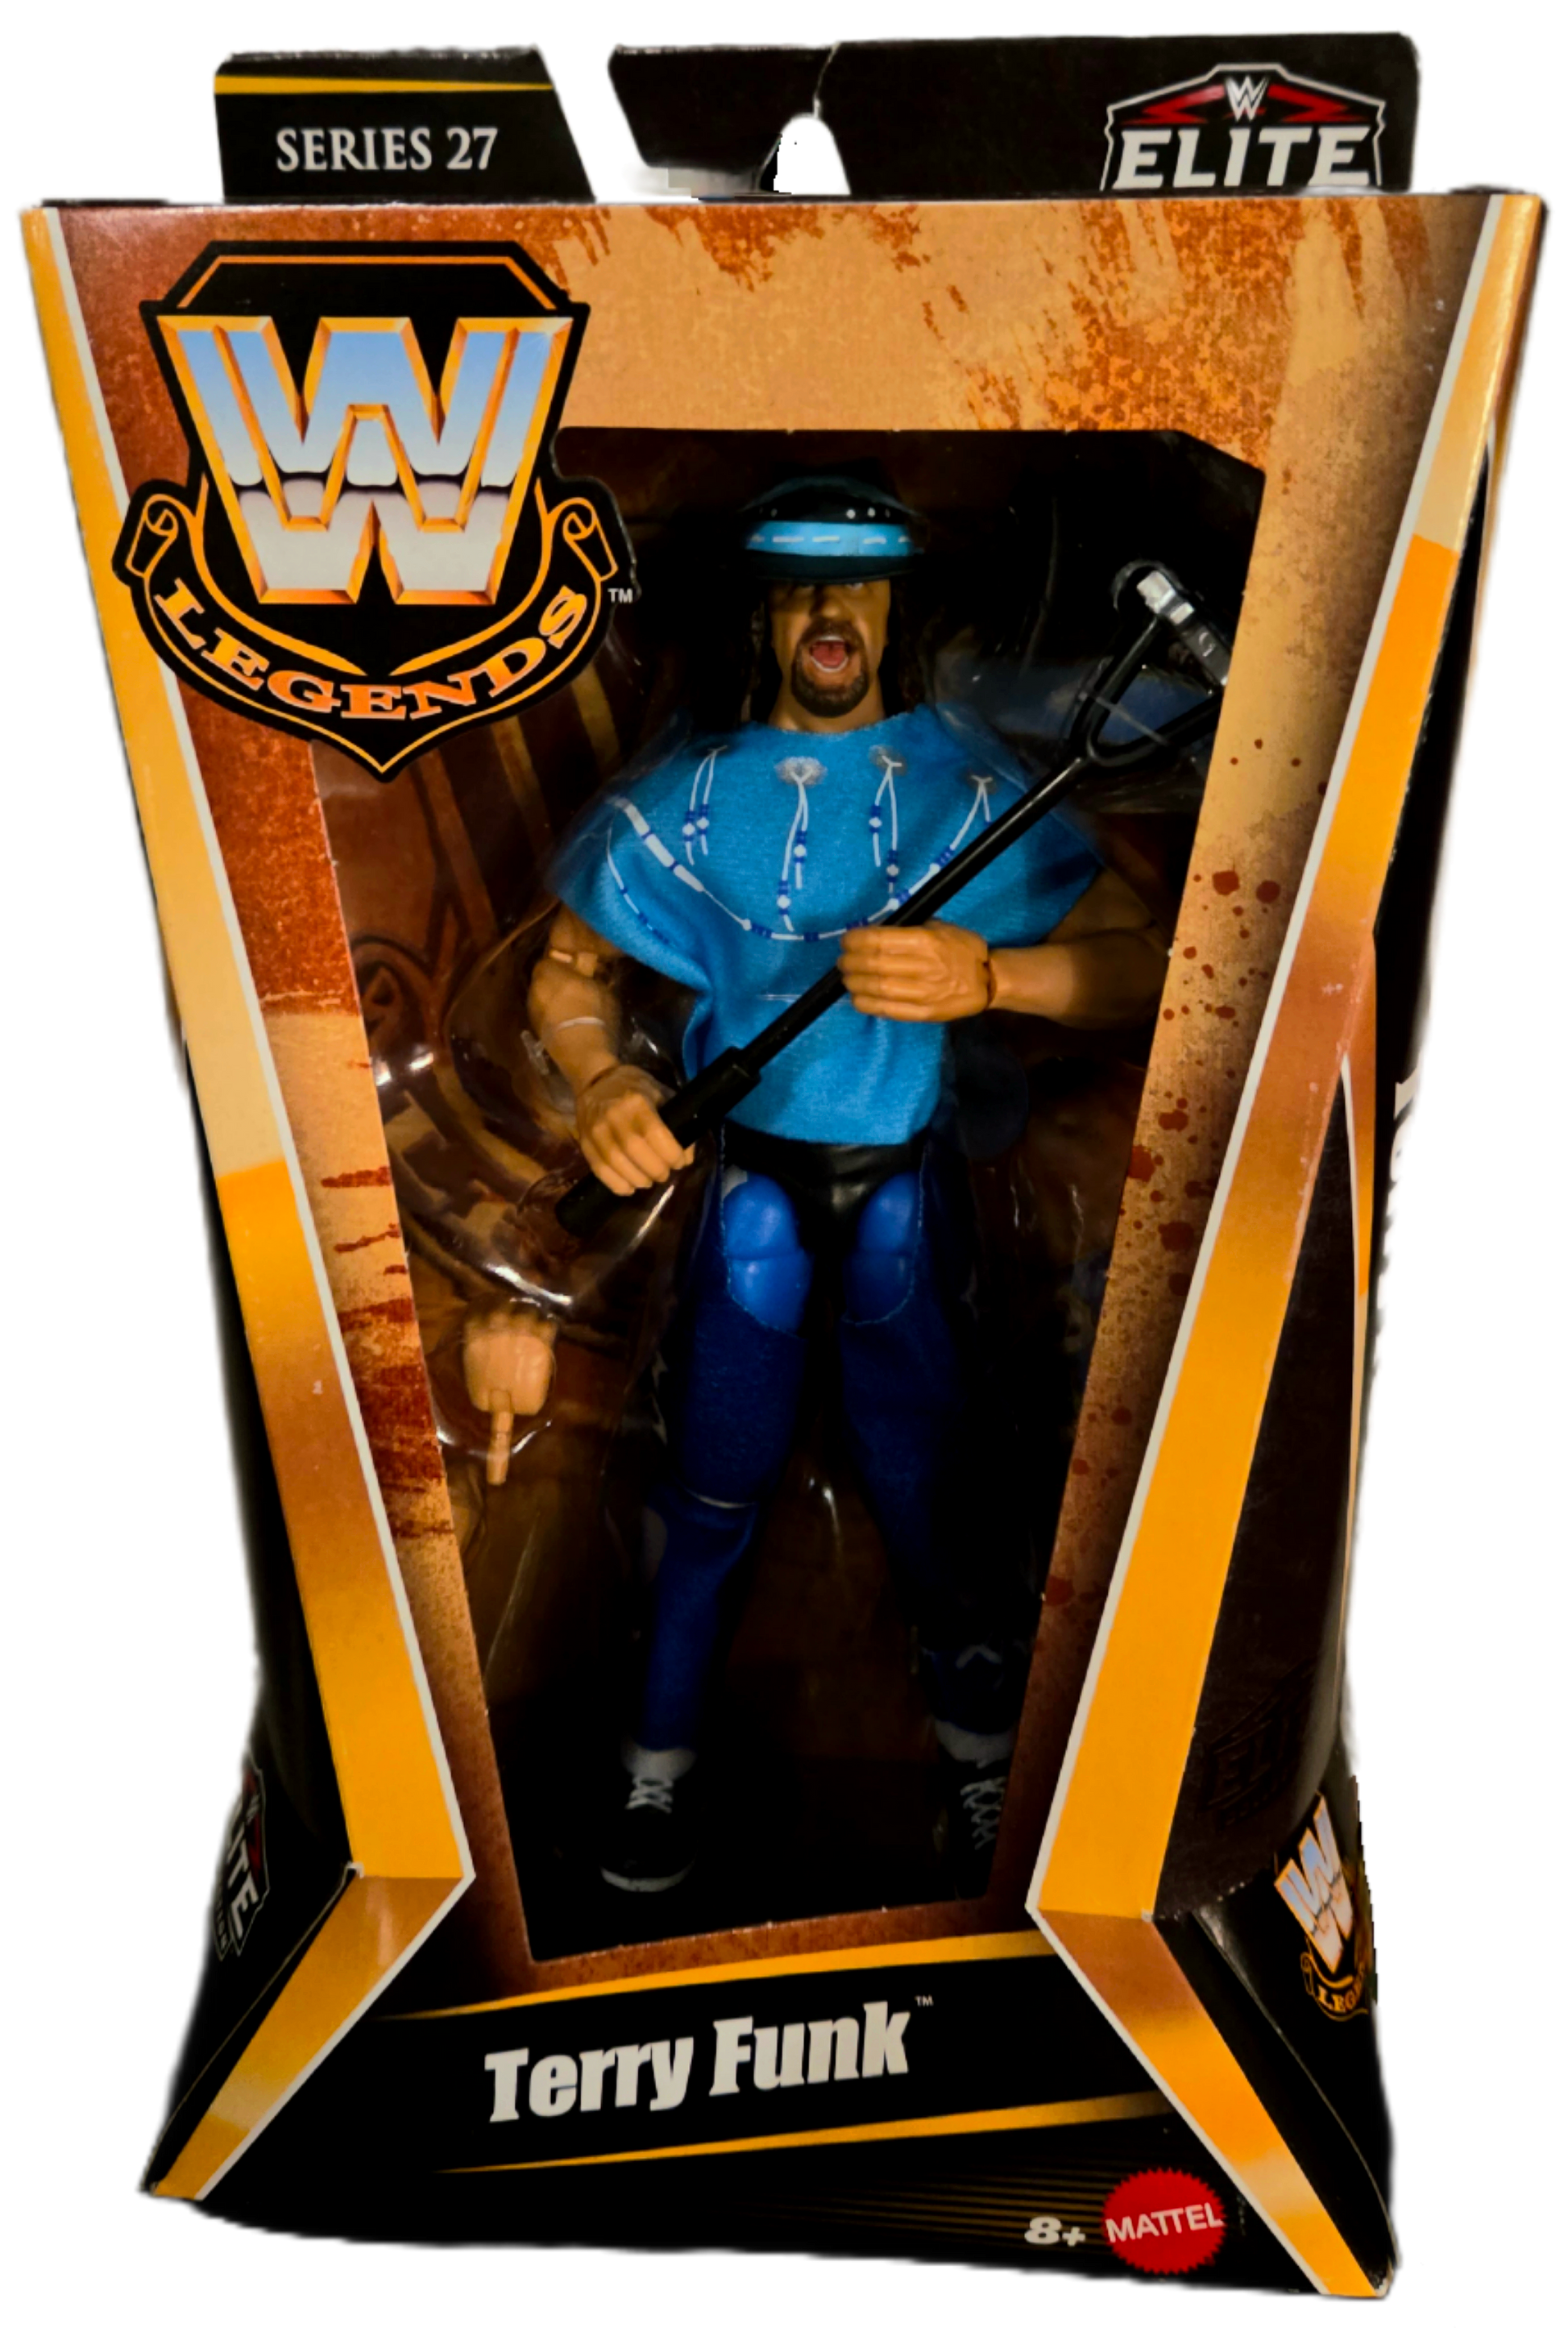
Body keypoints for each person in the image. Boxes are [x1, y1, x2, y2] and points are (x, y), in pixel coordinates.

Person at [475, 474, 1168, 1896]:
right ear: (762, 613)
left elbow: (1149, 963)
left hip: (905, 1188)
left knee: (930, 1487)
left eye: (856, 583)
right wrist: (603, 1083)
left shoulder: (973, 795)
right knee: (708, 1483)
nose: (827, 613)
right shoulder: (685, 799)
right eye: (796, 586)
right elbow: (567, 972)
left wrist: (996, 979)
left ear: (899, 609)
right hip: (748, 1197)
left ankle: (983, 1761)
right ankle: (653, 1771)